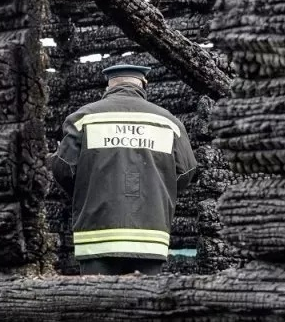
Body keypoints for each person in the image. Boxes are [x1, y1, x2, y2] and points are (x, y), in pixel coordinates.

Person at [49, 64, 197, 276]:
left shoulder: (83, 120)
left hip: (96, 240)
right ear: (144, 84)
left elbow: (63, 168)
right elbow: (186, 172)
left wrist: (87, 192)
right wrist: (158, 191)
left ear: (108, 86)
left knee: (97, 298)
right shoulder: (169, 123)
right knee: (144, 298)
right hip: (150, 239)